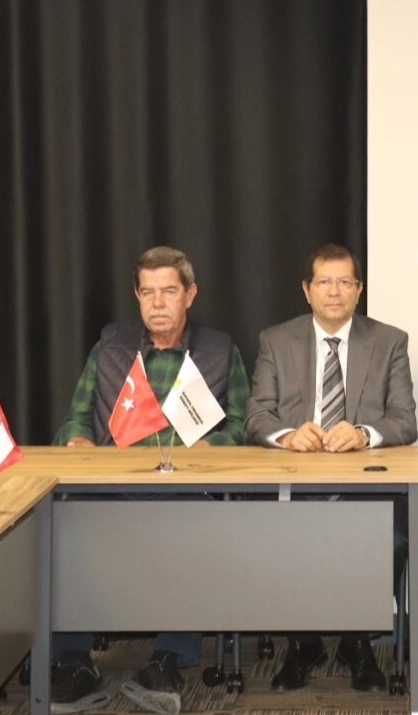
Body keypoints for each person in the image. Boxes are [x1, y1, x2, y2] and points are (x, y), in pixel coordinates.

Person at [52, 246, 249, 715]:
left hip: (185, 489)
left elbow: (244, 425)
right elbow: (75, 418)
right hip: (110, 487)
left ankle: (167, 660)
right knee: (61, 522)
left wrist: (213, 448)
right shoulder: (111, 347)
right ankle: (73, 660)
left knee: (196, 524)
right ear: (137, 296)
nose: (158, 303)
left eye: (169, 292)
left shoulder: (220, 351)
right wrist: (78, 440)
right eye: (147, 292)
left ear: (190, 295)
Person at [245, 243, 417, 692]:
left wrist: (363, 434)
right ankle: (302, 642)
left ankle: (356, 639)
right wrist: (287, 436)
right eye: (325, 282)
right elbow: (256, 416)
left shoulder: (389, 341)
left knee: (394, 536)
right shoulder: (276, 341)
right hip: (296, 484)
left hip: (367, 489)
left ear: (359, 290)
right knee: (275, 532)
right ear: (307, 290)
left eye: (344, 282)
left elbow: (405, 421)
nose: (335, 292)